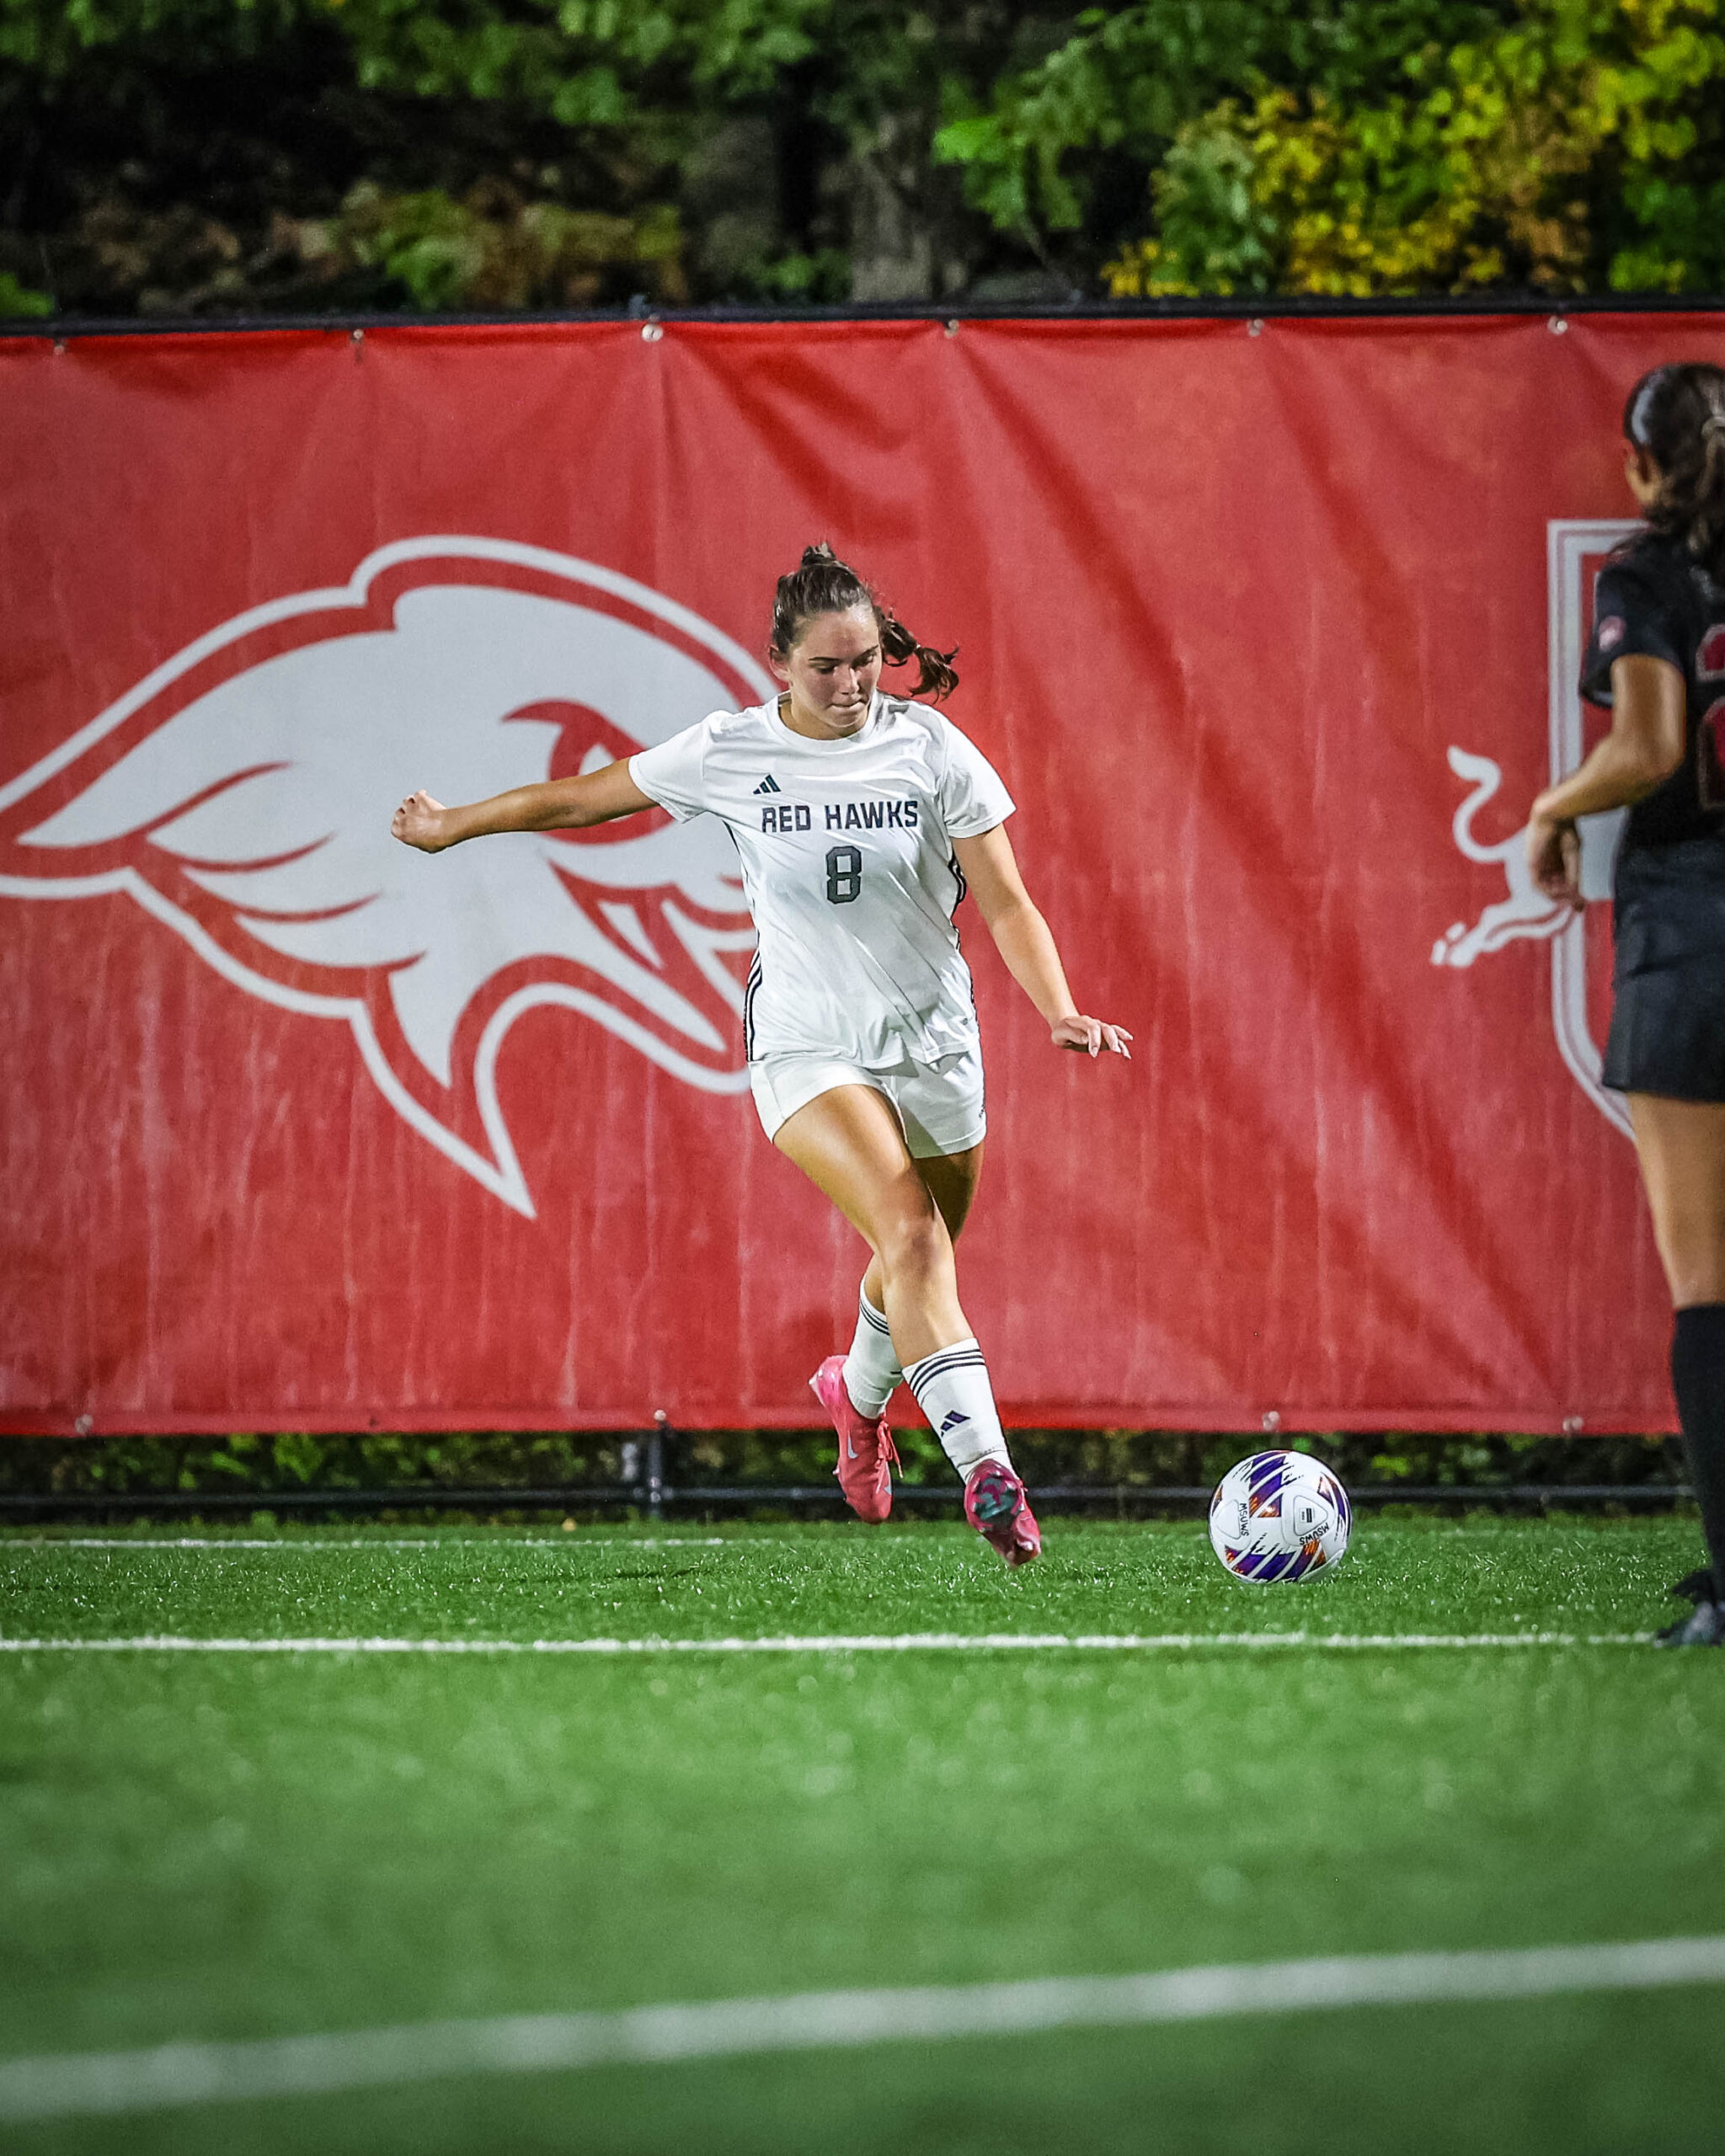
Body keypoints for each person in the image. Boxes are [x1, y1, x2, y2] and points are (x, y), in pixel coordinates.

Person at [392, 543, 1130, 1565]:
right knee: (913, 1240)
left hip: (932, 1042)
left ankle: (855, 1399)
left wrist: (1058, 1007)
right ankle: (989, 1476)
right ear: (780, 662)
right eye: (825, 667)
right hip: (804, 1044)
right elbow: (581, 798)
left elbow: (1004, 899)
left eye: (865, 661)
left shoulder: (929, 747)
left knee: (911, 1260)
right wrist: (451, 828)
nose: (849, 685)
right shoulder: (729, 751)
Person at [1525, 361, 1725, 1646]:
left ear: (1643, 469)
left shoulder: (1650, 578)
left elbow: (1651, 749)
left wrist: (1553, 806)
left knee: (1706, 1278)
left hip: (1691, 924)